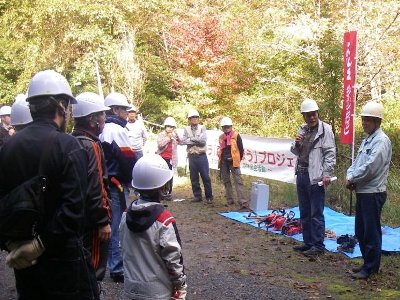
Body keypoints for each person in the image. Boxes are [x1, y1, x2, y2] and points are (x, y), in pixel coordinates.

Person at [0, 70, 98, 299]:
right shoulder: (68, 146)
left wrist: (13, 245)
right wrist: (41, 243)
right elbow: (75, 210)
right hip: (62, 260)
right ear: (61, 105)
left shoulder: (8, 149)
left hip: (25, 261)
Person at [120, 154, 187, 300]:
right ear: (162, 186)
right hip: (157, 292)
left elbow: (124, 248)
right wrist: (180, 286)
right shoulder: (164, 220)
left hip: (130, 289)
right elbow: (173, 260)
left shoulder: (125, 215)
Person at [346, 101, 392, 280]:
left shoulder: (381, 141)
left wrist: (353, 178)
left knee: (371, 231)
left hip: (373, 193)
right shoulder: (367, 140)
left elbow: (371, 167)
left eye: (368, 120)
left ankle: (371, 268)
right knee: (361, 230)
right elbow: (357, 163)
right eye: (363, 119)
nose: (364, 123)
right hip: (363, 192)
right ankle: (367, 263)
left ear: (377, 121)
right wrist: (350, 176)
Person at [71, 92, 112, 282]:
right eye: (102, 115)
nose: (105, 118)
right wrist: (102, 221)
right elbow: (96, 187)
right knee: (93, 269)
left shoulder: (70, 141)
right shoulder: (91, 145)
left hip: (77, 216)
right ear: (91, 119)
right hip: (92, 221)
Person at [290, 98, 336, 257]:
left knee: (316, 212)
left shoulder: (325, 130)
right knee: (304, 211)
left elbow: (330, 154)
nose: (311, 117)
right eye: (307, 115)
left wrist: (327, 174)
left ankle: (318, 245)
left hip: (315, 176)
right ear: (303, 116)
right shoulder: (302, 129)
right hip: (301, 173)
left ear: (317, 113)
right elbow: (295, 151)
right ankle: (308, 242)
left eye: (313, 114)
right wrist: (296, 144)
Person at [100, 91, 136, 283]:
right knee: (117, 225)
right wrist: (133, 179)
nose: (126, 113)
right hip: (116, 185)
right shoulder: (117, 130)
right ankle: (117, 267)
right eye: (124, 109)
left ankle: (108, 263)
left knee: (106, 223)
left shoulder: (102, 128)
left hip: (104, 184)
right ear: (115, 109)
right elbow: (127, 159)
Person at [180, 109, 213, 204]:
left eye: (196, 117)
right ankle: (197, 196)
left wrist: (191, 139)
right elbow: (183, 141)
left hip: (201, 156)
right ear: (189, 119)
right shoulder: (186, 129)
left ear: (198, 119)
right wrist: (196, 139)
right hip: (191, 156)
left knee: (205, 177)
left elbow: (203, 141)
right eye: (192, 118)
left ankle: (209, 197)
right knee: (193, 178)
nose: (194, 119)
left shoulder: (202, 127)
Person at [217, 116, 248, 209]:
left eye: (228, 126)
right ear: (222, 128)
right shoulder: (221, 137)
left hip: (234, 162)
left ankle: (242, 202)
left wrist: (237, 159)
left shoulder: (236, 136)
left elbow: (241, 149)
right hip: (223, 162)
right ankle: (230, 200)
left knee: (238, 181)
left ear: (231, 126)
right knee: (226, 181)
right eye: (224, 127)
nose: (226, 128)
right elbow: (221, 149)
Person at [157, 116, 180, 200]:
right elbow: (160, 144)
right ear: (165, 127)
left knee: (170, 176)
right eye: (168, 126)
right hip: (162, 158)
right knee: (161, 176)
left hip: (171, 159)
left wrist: (176, 136)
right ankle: (160, 192)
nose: (170, 129)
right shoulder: (161, 135)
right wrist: (168, 138)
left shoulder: (175, 135)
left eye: (172, 127)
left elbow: (181, 141)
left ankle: (168, 192)